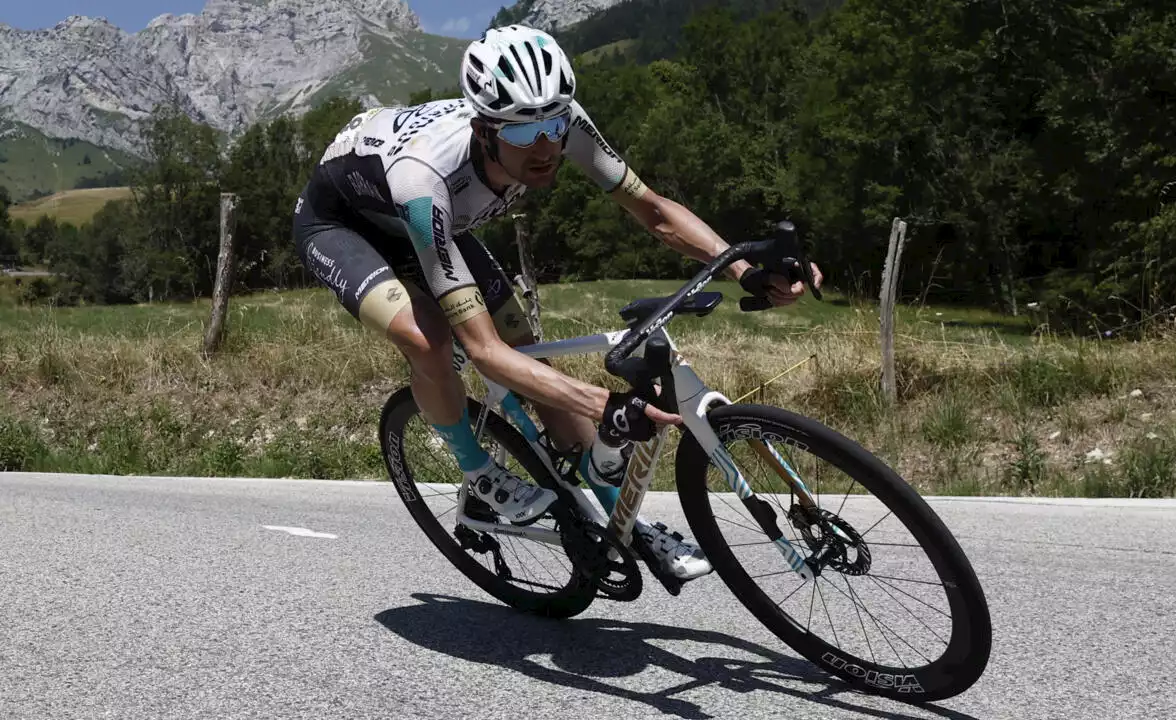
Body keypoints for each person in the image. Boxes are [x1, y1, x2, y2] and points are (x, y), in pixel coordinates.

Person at [293, 25, 822, 581]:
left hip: (437, 226)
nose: (546, 147)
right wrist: (603, 402)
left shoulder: (562, 122)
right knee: (434, 339)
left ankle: (624, 519)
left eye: (552, 126)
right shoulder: (424, 179)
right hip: (344, 225)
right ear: (484, 130)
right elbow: (485, 352)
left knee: (530, 354)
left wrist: (745, 267)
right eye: (524, 135)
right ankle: (477, 472)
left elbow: (655, 211)